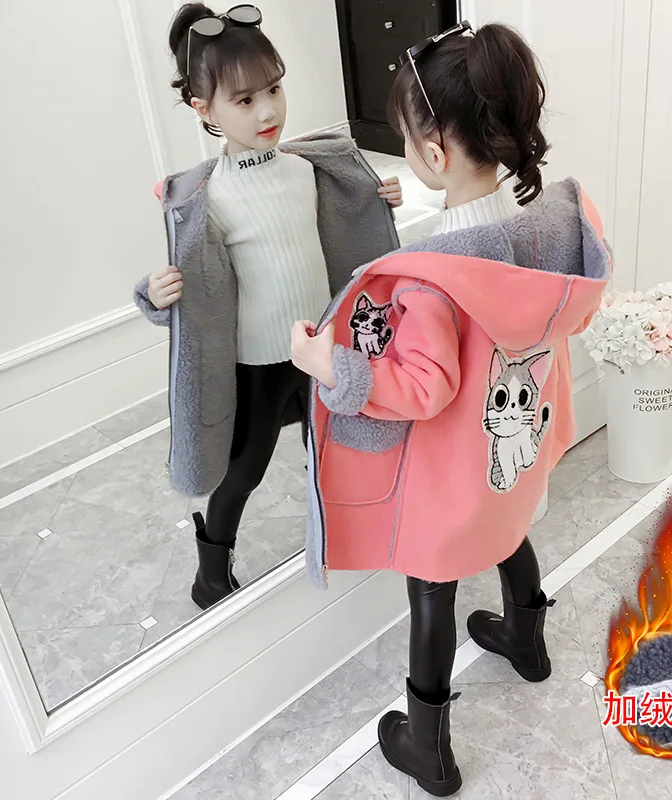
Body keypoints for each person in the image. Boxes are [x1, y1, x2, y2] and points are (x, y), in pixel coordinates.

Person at [291, 20, 612, 797]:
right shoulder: (553, 226)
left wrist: (328, 363)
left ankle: (427, 745)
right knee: (509, 530)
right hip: (512, 459)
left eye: (406, 140)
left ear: (434, 154)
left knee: (431, 590)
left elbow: (421, 387)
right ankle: (526, 642)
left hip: (449, 477)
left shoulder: (431, 277)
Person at [133, 3, 402, 610]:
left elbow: (348, 231)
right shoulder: (207, 197)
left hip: (322, 349)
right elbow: (192, 286)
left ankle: (345, 536)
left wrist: (377, 198)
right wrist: (152, 294)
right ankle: (212, 569)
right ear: (204, 110)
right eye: (245, 100)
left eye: (274, 89)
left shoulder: (308, 170)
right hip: (258, 361)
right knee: (245, 469)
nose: (268, 111)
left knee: (330, 447)